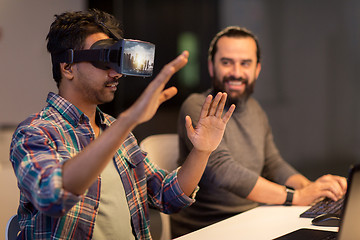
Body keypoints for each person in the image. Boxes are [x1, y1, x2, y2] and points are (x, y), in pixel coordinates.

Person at [9, 9, 235, 240]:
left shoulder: (116, 130)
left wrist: (202, 151)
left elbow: (167, 196)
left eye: (118, 60)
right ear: (67, 67)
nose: (116, 73)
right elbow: (52, 196)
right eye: (104, 59)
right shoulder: (35, 132)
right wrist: (129, 120)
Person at [170, 26, 347, 237]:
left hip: (254, 219)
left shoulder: (255, 110)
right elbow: (222, 170)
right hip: (208, 229)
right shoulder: (199, 105)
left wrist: (312, 189)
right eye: (226, 62)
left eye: (245, 63)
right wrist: (295, 197)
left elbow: (273, 163)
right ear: (211, 66)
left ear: (257, 69)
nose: (236, 72)